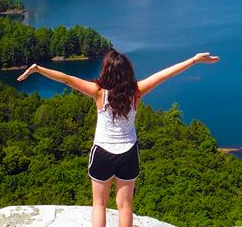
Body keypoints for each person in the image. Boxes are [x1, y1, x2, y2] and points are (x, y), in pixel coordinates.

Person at [17, 49, 220, 227]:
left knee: (99, 204)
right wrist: (194, 60)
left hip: (102, 153)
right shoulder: (136, 92)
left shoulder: (98, 92)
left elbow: (67, 79)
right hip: (128, 154)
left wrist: (38, 69)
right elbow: (164, 75)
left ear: (106, 71)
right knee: (125, 206)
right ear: (127, 73)